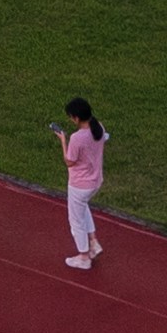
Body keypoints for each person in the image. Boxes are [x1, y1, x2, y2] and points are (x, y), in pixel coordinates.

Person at [56, 98, 106, 272]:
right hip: (95, 181)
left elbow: (69, 161)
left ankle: (84, 257)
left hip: (80, 184)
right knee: (83, 208)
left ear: (76, 118)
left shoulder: (77, 138)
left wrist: (63, 140)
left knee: (75, 220)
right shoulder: (99, 127)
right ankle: (93, 242)